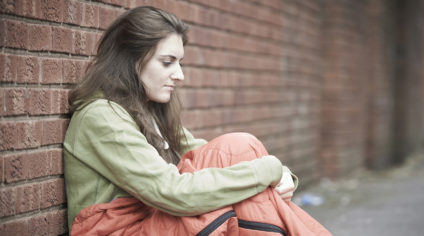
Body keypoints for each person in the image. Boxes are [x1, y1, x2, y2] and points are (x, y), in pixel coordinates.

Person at [64, 6, 330, 235]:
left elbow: (217, 156)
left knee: (239, 151)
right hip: (121, 229)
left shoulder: (147, 110)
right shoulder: (102, 116)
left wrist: (282, 174)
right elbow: (173, 192)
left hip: (154, 219)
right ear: (131, 60)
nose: (179, 75)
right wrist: (268, 170)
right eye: (167, 62)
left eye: (179, 63)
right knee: (242, 171)